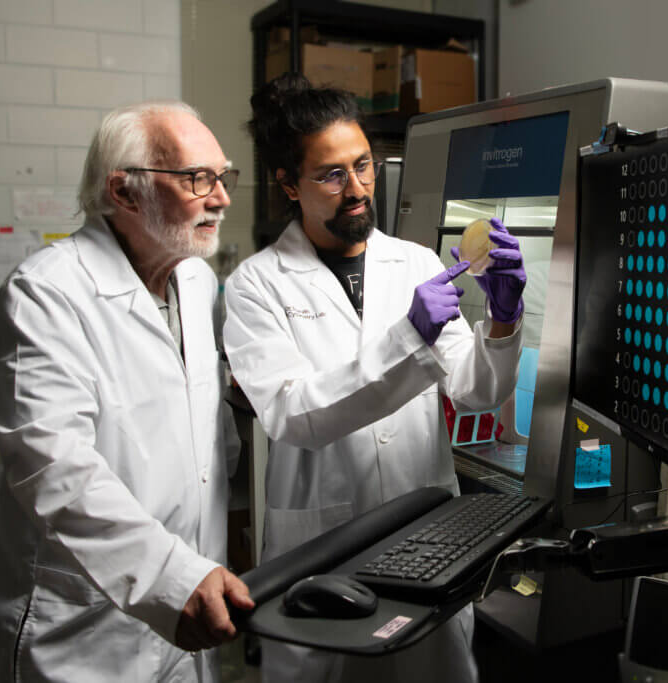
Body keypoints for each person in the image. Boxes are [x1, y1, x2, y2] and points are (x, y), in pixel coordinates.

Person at [224, 74, 527, 683]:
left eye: (363, 166)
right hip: (321, 552)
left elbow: (477, 389)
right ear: (289, 184)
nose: (357, 189)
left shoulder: (413, 262)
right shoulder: (256, 285)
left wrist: (503, 317)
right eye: (332, 175)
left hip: (427, 542)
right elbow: (294, 415)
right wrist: (407, 338)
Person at [0, 101, 255, 683]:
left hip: (191, 608)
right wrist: (169, 576)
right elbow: (54, 469)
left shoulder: (195, 278)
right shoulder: (45, 293)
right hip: (84, 628)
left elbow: (204, 435)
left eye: (222, 176)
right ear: (126, 192)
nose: (222, 197)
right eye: (196, 179)